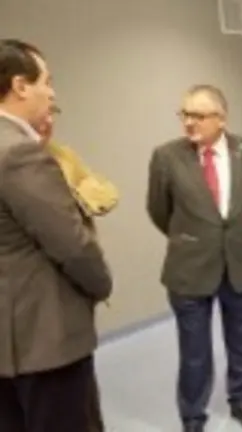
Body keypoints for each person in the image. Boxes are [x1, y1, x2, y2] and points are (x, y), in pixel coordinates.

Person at [0, 39, 113, 432]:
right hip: (43, 340)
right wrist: (102, 284)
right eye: (47, 82)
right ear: (20, 86)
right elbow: (72, 245)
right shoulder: (18, 153)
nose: (52, 93)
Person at [146, 85, 242, 432]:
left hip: (241, 262)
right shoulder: (166, 157)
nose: (189, 122)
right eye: (184, 114)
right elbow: (159, 210)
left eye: (198, 115)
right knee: (194, 351)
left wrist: (230, 236)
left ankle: (240, 399)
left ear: (221, 118)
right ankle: (193, 415)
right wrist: (193, 238)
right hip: (190, 267)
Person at [34, 103, 119, 432]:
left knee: (80, 397)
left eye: (52, 114)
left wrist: (82, 195)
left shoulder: (63, 156)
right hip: (36, 300)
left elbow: (104, 193)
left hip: (72, 289)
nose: (48, 122)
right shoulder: (18, 164)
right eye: (41, 115)